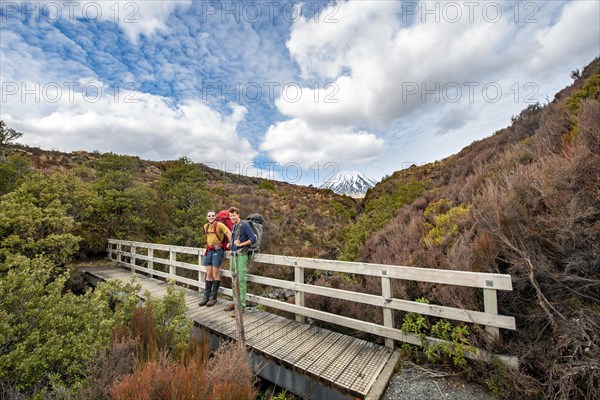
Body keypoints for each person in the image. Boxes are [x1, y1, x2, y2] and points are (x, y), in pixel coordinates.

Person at [224, 206, 256, 317]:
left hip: (242, 256)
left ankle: (241, 307)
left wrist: (241, 244)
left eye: (234, 215)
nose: (232, 217)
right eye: (230, 215)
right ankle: (235, 302)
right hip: (233, 255)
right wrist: (230, 245)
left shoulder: (244, 224)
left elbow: (253, 238)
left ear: (238, 215)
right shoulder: (234, 226)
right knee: (233, 280)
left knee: (241, 281)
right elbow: (235, 239)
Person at [199, 210, 231, 307]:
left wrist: (230, 244)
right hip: (208, 251)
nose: (211, 217)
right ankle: (206, 296)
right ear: (207, 217)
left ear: (215, 217)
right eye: (209, 216)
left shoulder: (220, 225)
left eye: (213, 216)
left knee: (215, 273)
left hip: (218, 251)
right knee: (208, 274)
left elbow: (229, 233)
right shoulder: (206, 226)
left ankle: (213, 297)